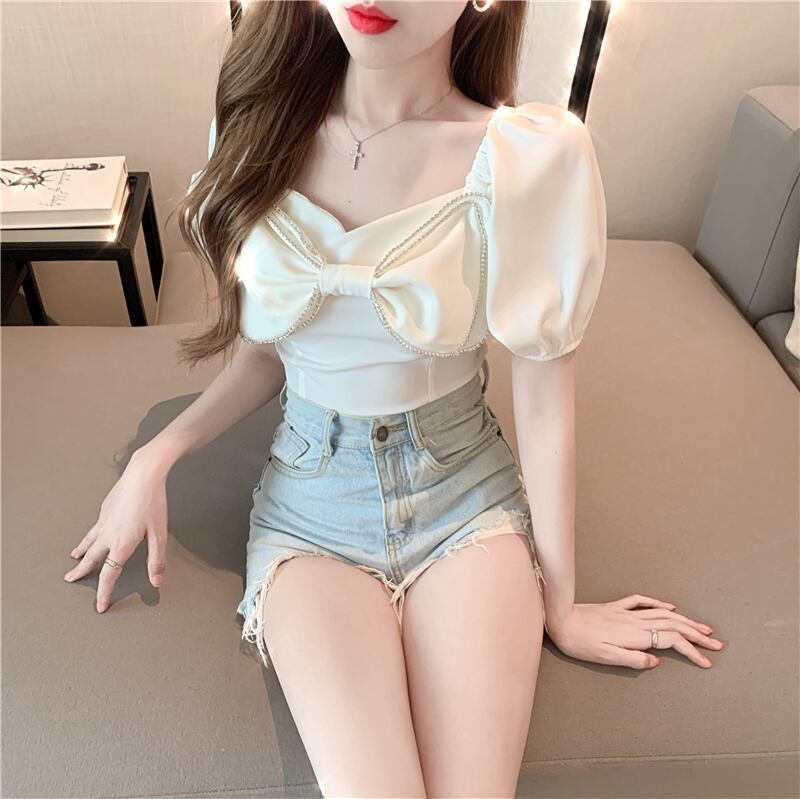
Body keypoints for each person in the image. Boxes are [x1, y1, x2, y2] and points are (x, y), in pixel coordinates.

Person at [64, 1, 725, 795]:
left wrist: (564, 603)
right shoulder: (253, 134)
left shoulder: (527, 157)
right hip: (311, 510)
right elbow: (270, 353)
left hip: (463, 498)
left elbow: (545, 395)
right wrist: (156, 453)